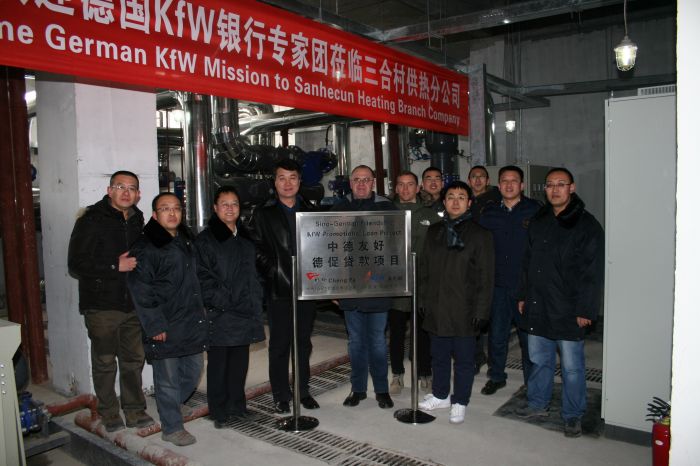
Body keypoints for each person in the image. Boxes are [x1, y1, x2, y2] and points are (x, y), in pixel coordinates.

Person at [515, 168, 604, 438]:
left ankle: (573, 414)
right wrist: (523, 295)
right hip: (538, 304)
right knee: (539, 360)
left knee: (572, 368)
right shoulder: (539, 220)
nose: (555, 189)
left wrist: (586, 309)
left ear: (572, 188)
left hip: (569, 309)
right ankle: (537, 404)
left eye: (561, 184)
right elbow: (527, 262)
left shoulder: (587, 224)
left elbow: (592, 272)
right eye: (550, 185)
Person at [67, 170, 154, 432]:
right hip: (102, 305)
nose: (126, 192)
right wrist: (115, 265)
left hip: (132, 303)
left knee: (133, 360)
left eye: (131, 188)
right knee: (105, 361)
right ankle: (109, 413)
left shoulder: (138, 219)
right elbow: (76, 263)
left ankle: (135, 410)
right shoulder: (91, 219)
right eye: (120, 187)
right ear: (109, 190)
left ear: (138, 194)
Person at [127, 193, 208, 446]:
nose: (172, 213)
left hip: (190, 320)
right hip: (164, 322)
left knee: (193, 370)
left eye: (176, 208)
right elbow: (141, 289)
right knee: (168, 379)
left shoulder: (185, 239)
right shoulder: (146, 246)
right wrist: (154, 325)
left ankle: (170, 404)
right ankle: (172, 427)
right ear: (154, 215)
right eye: (165, 209)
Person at [418, 181, 494, 424]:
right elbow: (425, 269)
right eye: (451, 196)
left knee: (463, 361)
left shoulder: (480, 235)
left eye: (461, 197)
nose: (455, 201)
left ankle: (460, 400)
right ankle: (441, 395)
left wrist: (482, 311)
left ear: (469, 203)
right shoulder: (434, 231)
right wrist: (423, 299)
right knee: (439, 356)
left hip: (465, 309)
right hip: (437, 306)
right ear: (444, 202)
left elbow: (486, 277)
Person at [248, 159, 319, 414]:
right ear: (274, 182)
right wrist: (274, 271)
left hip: (308, 288)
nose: (287, 183)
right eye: (282, 178)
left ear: (300, 181)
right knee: (279, 345)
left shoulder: (312, 211)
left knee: (303, 343)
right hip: (278, 289)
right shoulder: (263, 213)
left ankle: (303, 390)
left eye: (292, 178)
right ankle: (280, 395)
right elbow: (254, 247)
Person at [195, 186, 265, 428]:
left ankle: (238, 406)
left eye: (234, 204)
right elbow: (202, 278)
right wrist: (226, 300)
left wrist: (257, 297)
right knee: (219, 364)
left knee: (239, 363)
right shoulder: (206, 240)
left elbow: (255, 273)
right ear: (215, 208)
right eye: (224, 204)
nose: (229, 208)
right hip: (221, 313)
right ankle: (219, 411)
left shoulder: (245, 238)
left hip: (245, 311)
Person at [332, 165, 397, 409]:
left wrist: (392, 280)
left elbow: (396, 248)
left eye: (366, 179)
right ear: (350, 183)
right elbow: (332, 250)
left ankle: (382, 390)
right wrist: (332, 286)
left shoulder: (387, 208)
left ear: (373, 182)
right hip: (349, 286)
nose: (361, 184)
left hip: (379, 285)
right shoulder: (338, 209)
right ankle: (357, 389)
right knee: (356, 342)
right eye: (357, 179)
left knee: (378, 342)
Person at [477, 166, 540, 396]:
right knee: (497, 335)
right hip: (497, 285)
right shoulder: (489, 212)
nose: (509, 185)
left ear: (522, 185)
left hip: (525, 286)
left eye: (514, 181)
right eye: (504, 181)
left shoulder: (535, 210)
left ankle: (531, 381)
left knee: (528, 337)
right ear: (499, 184)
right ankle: (496, 376)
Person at [389, 171, 441, 395]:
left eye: (410, 184)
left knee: (423, 332)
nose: (405, 189)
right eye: (401, 184)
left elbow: (440, 249)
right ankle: (397, 374)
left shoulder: (430, 215)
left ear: (418, 188)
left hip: (423, 284)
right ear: (395, 188)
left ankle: (425, 374)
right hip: (394, 284)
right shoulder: (386, 212)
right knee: (396, 332)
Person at [466, 164, 500, 373]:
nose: (477, 180)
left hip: (492, 265)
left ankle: (495, 365)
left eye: (481, 177)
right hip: (470, 267)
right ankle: (477, 357)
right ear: (469, 181)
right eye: (474, 176)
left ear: (487, 181)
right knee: (473, 316)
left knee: (495, 321)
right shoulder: (465, 201)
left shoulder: (496, 202)